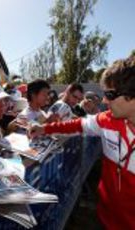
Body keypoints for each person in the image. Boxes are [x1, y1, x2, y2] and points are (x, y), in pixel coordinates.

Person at [29, 56, 135, 230]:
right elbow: (77, 124)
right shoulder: (105, 120)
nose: (104, 101)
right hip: (104, 217)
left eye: (109, 94)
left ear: (131, 95)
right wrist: (43, 129)